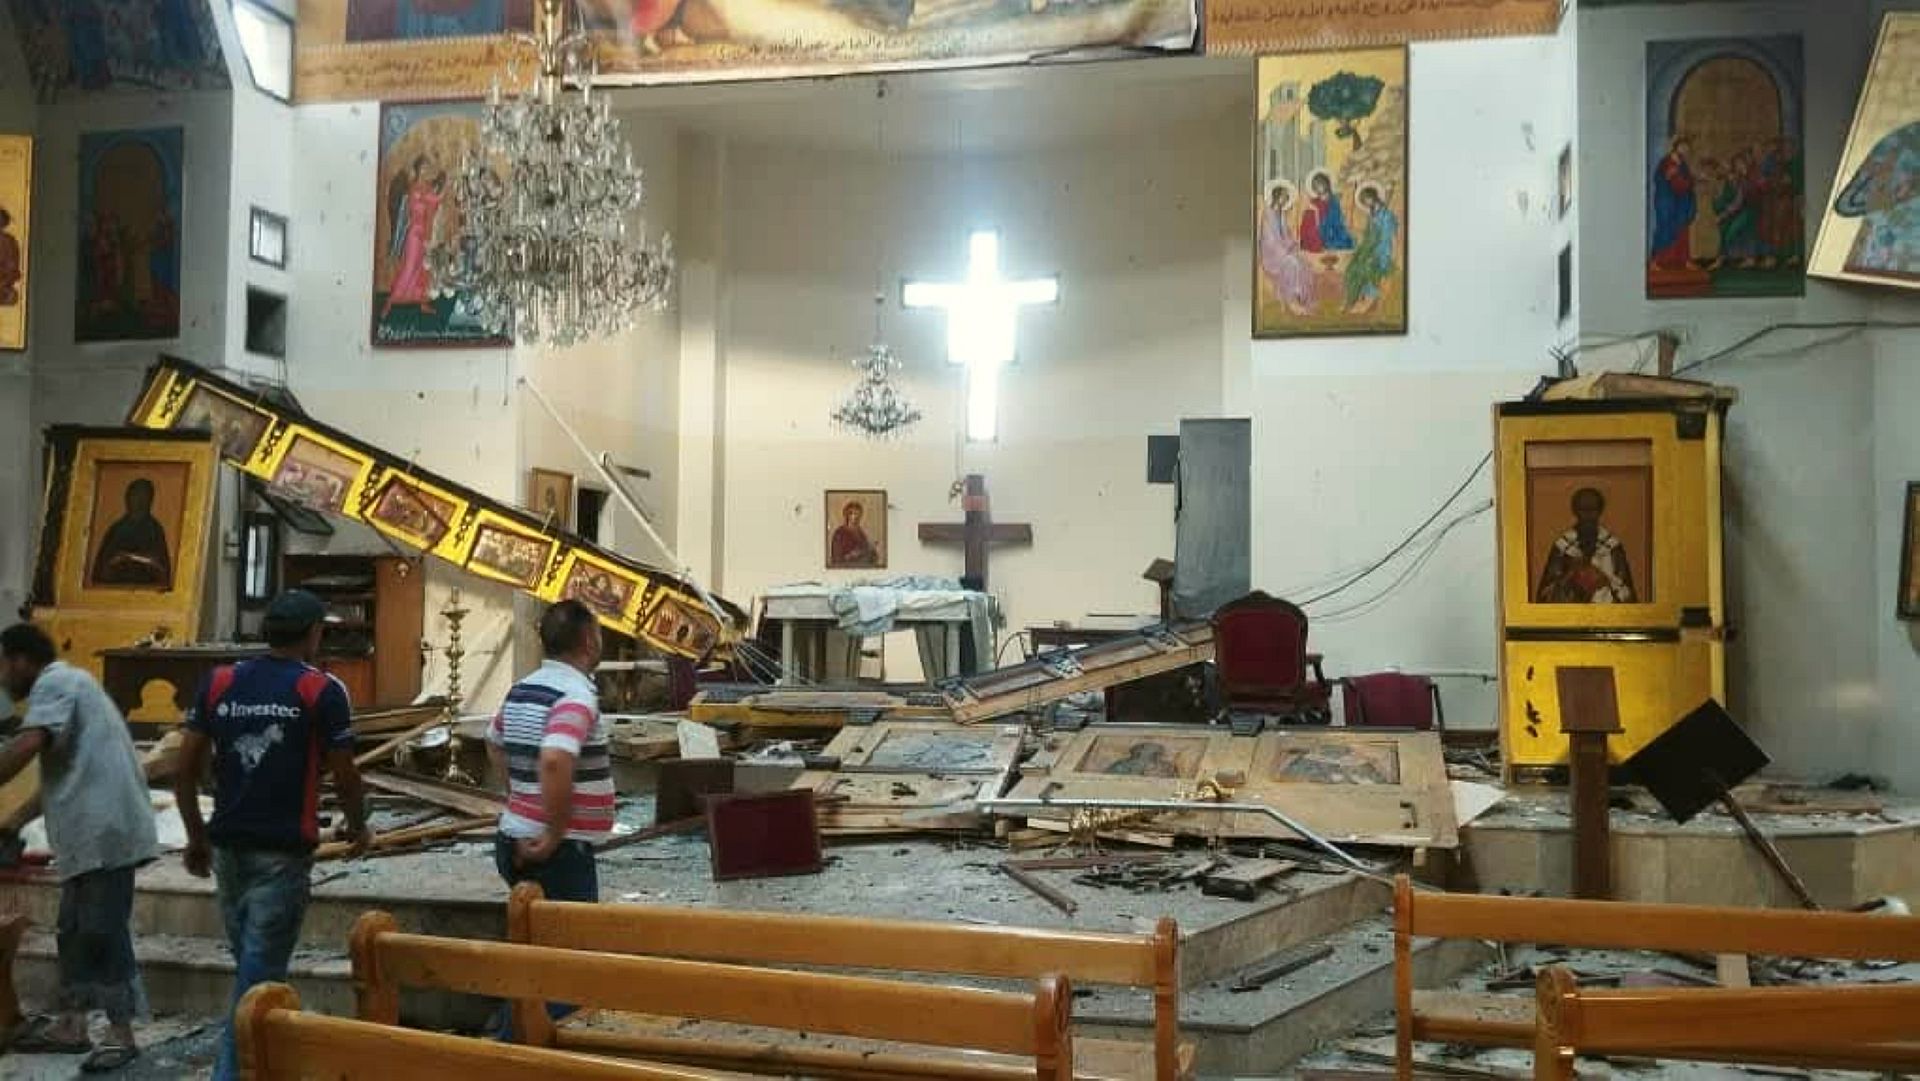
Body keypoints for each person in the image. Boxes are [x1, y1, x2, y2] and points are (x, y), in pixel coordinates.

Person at [175, 589, 370, 1081]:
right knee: (257, 985)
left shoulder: (220, 681)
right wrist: (358, 825)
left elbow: (184, 768)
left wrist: (196, 836)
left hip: (227, 848)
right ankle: (231, 1074)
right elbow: (345, 773)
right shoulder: (320, 689)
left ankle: (272, 1064)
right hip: (281, 853)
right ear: (314, 634)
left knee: (252, 969)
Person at [0, 623, 158, 1072]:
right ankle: (72, 1024)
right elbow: (61, 776)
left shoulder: (56, 682)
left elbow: (27, 746)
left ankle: (122, 1034)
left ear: (20, 659)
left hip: (104, 832)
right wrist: (13, 822)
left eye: (2, 666)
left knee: (102, 931)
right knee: (72, 930)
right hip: (90, 832)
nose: (2, 678)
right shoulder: (71, 687)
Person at [486, 600, 612, 1039]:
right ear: (588, 640)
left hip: (512, 835)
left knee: (534, 955)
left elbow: (494, 742)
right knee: (566, 974)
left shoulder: (523, 689)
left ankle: (506, 1038)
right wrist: (554, 831)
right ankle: (526, 1055)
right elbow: (556, 760)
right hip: (558, 852)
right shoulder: (575, 695)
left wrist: (519, 799)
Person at [1535, 487, 1637, 604]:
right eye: (1583, 509)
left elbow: (1628, 596)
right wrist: (1571, 574)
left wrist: (1606, 580)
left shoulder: (1613, 546)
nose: (1588, 514)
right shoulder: (1562, 547)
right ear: (1575, 511)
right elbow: (1545, 595)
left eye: (1593, 509)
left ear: (1600, 511)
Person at [381, 170, 446, 320]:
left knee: (421, 269)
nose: (426, 172)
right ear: (418, 170)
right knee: (409, 267)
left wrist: (440, 192)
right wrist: (437, 196)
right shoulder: (413, 189)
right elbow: (426, 201)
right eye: (424, 168)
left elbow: (433, 202)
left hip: (424, 235)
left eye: (428, 169)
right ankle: (390, 302)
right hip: (414, 234)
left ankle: (422, 301)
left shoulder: (426, 188)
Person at [90, 476, 173, 588]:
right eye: (136, 495)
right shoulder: (116, 530)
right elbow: (101, 570)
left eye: (144, 496)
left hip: (145, 589)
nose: (140, 500)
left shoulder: (155, 530)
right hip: (116, 588)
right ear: (128, 498)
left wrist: (142, 560)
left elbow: (162, 570)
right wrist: (116, 561)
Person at [1257, 183, 1316, 316]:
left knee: (1303, 262)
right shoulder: (1267, 214)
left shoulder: (1281, 214)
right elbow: (1269, 241)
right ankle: (1291, 301)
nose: (1286, 199)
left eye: (1287, 196)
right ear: (1277, 197)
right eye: (1284, 196)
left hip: (1283, 251)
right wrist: (1286, 250)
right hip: (1271, 255)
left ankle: (1301, 300)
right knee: (1292, 263)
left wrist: (1294, 244)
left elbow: (1286, 235)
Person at [1344, 184, 1398, 315]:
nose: (1366, 202)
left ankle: (1369, 299)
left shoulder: (1387, 216)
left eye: (1367, 198)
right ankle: (1353, 299)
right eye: (1364, 200)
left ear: (1374, 196)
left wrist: (1375, 253)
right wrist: (1357, 237)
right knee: (1353, 267)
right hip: (1370, 248)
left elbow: (1387, 238)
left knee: (1368, 266)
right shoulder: (1371, 215)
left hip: (1383, 251)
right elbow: (1368, 235)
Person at [1650, 135, 1698, 271]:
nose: (1686, 150)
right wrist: (1691, 181)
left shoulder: (1682, 164)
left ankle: (1684, 260)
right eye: (1683, 147)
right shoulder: (1667, 162)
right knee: (1665, 230)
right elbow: (1675, 183)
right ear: (1676, 147)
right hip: (1667, 202)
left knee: (1682, 231)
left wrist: (1692, 180)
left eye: (1687, 148)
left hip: (1680, 204)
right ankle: (1655, 261)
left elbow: (1685, 181)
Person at [1298, 170, 1355, 254]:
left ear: (1327, 184)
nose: (1319, 187)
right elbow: (1312, 220)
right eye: (1316, 185)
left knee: (1345, 240)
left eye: (1321, 183)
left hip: (1333, 229)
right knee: (1308, 216)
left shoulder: (1334, 201)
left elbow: (1337, 219)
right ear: (1314, 189)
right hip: (1320, 230)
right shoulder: (1315, 202)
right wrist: (1316, 211)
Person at [829, 501, 880, 567]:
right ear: (847, 515)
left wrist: (871, 549)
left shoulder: (860, 533)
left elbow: (865, 551)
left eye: (858, 514)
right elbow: (837, 558)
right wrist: (851, 555)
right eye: (853, 514)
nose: (856, 517)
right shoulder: (839, 533)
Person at [0, 205, 21, 307]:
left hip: (3, 283)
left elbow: (12, 270)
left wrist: (4, 282)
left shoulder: (9, 241)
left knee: (11, 296)